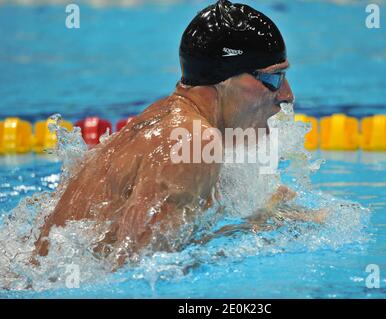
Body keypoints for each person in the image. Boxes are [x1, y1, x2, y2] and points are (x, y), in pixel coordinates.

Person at [33, 0, 326, 267]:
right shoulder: (195, 139)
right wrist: (258, 229)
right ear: (225, 79)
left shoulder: (169, 120)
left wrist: (259, 214)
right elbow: (139, 271)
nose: (286, 95)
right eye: (273, 78)